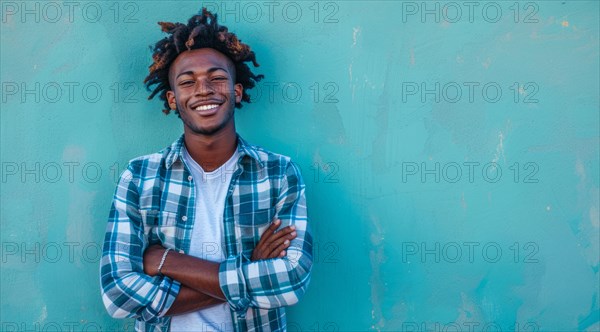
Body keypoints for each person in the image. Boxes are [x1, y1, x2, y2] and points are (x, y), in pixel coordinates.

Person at [99, 8, 313, 331]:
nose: (203, 89)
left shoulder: (279, 174)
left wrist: (169, 262)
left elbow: (292, 279)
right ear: (172, 99)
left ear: (236, 91)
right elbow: (117, 294)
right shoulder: (140, 178)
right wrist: (252, 267)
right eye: (188, 82)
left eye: (217, 78)